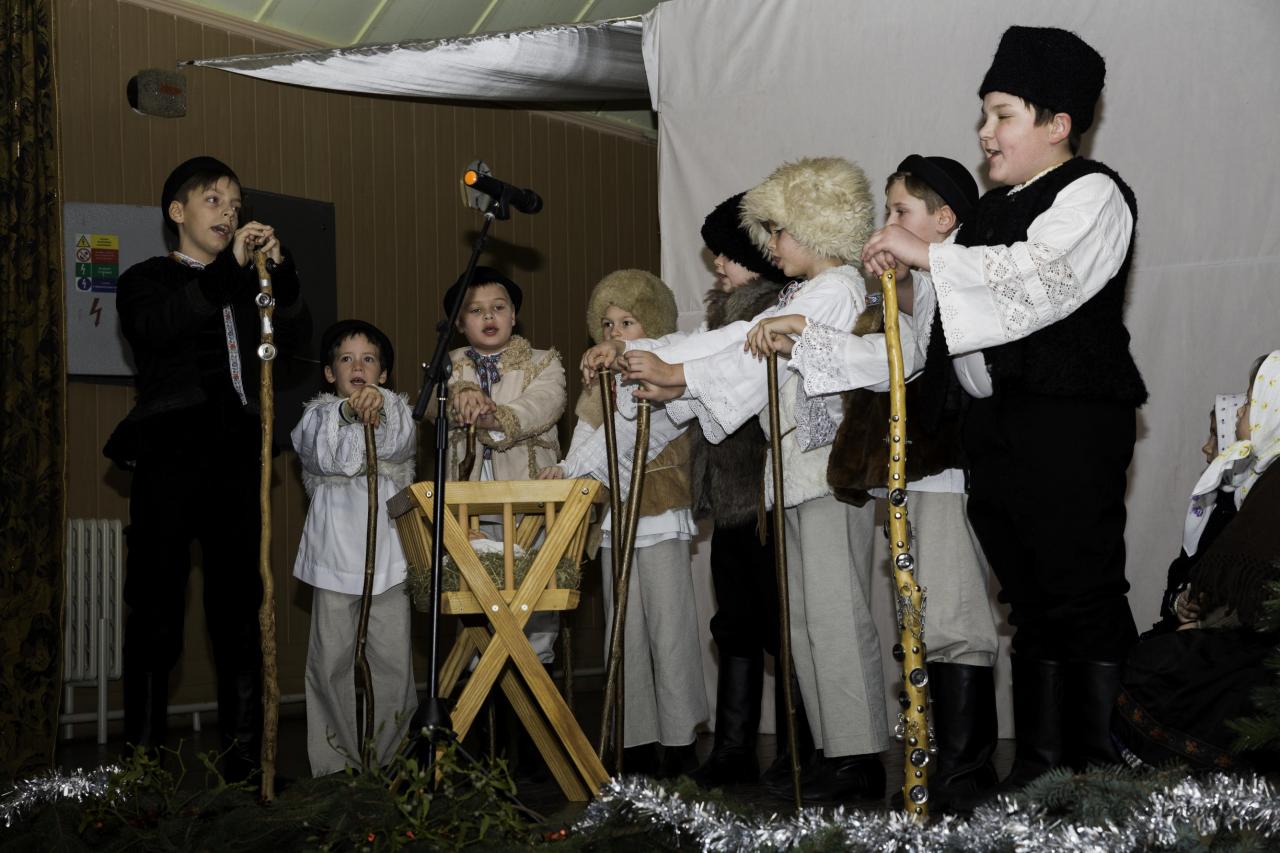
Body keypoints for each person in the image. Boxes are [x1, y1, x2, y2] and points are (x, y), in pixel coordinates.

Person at [862, 26, 1146, 784]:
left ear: (1058, 123)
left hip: (1069, 418)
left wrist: (929, 255)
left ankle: (1104, 780)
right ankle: (1044, 774)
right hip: (999, 429)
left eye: (1003, 115)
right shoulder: (988, 212)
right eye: (984, 115)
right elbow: (953, 315)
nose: (985, 132)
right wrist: (909, 276)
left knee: (1080, 591)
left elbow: (1038, 280)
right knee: (1029, 599)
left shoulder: (1092, 193)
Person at [594, 157, 889, 801]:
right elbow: (730, 343)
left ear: (816, 226)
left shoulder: (837, 288)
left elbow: (747, 360)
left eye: (778, 230)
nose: (769, 244)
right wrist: (647, 356)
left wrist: (675, 375)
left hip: (825, 473)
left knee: (834, 615)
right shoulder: (797, 295)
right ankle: (831, 751)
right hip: (796, 477)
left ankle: (858, 755)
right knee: (805, 621)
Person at [750, 156, 1001, 806]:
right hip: (921, 476)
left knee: (956, 618)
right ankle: (942, 767)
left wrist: (810, 335)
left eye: (900, 211)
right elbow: (898, 357)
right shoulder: (917, 293)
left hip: (954, 471)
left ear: (944, 219)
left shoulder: (972, 276)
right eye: (887, 210)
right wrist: (811, 335)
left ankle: (965, 773)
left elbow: (945, 371)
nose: (887, 223)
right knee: (926, 618)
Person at [112, 155, 301, 781]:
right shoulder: (146, 279)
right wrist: (230, 271)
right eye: (214, 200)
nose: (229, 212)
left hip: (237, 461)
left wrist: (277, 267)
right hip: (169, 458)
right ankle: (142, 769)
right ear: (178, 211)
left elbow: (293, 325)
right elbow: (160, 327)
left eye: (236, 204)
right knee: (155, 610)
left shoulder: (247, 282)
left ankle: (244, 765)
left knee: (239, 610)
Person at [542, 269, 707, 777]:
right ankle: (634, 738)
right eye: (608, 324)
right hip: (617, 514)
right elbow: (590, 437)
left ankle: (679, 739)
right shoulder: (602, 383)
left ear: (651, 321)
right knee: (624, 628)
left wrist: (625, 354)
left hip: (660, 511)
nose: (616, 332)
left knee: (669, 628)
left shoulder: (668, 362)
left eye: (628, 322)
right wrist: (565, 471)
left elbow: (639, 428)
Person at [1114, 352, 1280, 772]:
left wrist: (1203, 623)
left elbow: (1256, 597)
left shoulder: (1273, 486)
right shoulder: (1260, 482)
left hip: (1265, 660)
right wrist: (1188, 607)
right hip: (1248, 642)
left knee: (1160, 665)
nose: (1241, 411)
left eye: (1251, 402)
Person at [686, 194, 799, 788]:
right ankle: (734, 748)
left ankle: (798, 748)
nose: (718, 265)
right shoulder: (725, 315)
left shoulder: (769, 313)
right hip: (733, 500)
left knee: (779, 618)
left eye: (727, 254)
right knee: (735, 619)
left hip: (764, 495)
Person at [291, 320, 418, 776]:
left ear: (383, 373)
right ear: (330, 373)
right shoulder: (317, 416)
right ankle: (335, 764)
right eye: (346, 359)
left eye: (368, 359)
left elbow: (399, 443)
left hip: (388, 559)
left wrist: (379, 407)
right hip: (333, 556)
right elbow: (323, 456)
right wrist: (347, 413)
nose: (357, 367)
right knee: (331, 662)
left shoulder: (397, 410)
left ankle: (391, 760)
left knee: (393, 663)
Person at [440, 266, 566, 663]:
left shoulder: (544, 362)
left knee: (535, 598)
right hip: (471, 504)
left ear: (514, 315)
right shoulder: (448, 366)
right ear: (459, 324)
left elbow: (541, 406)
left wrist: (491, 415)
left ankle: (535, 676)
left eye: (498, 307)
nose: (489, 316)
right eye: (476, 310)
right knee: (475, 600)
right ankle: (482, 683)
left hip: (530, 501)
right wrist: (461, 394)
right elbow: (433, 409)